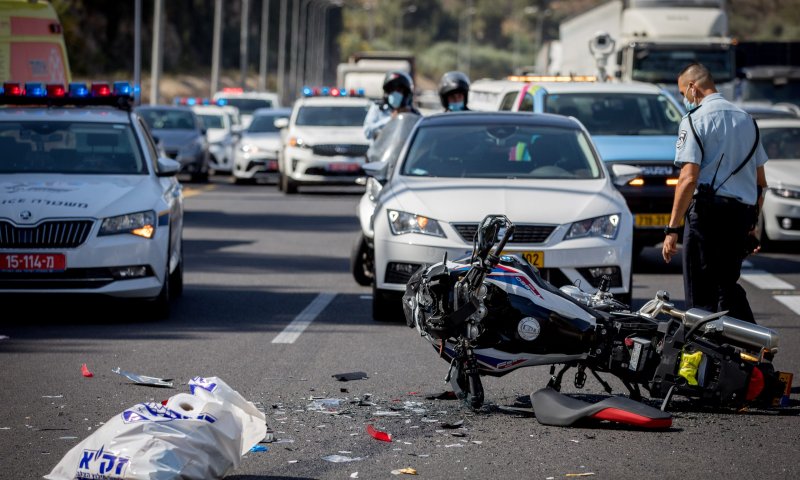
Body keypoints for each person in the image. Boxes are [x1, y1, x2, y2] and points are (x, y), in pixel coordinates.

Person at [662, 63, 768, 324]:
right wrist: (751, 225)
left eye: (682, 93)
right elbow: (760, 183)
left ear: (692, 87)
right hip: (740, 216)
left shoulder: (695, 119)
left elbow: (688, 178)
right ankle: (754, 348)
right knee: (726, 287)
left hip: (707, 215)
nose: (683, 99)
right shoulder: (747, 120)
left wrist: (672, 229)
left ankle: (699, 361)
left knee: (700, 296)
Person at [363, 70, 419, 143]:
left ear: (406, 94)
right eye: (392, 90)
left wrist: (408, 118)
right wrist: (391, 120)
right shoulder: (378, 108)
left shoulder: (413, 114)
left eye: (399, 90)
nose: (395, 93)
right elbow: (367, 132)